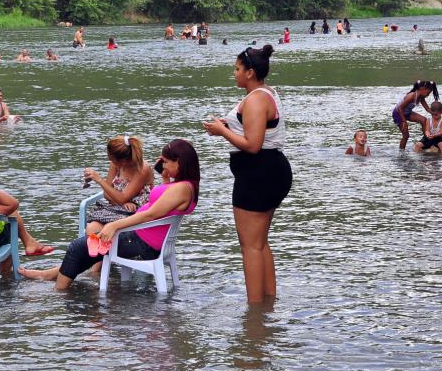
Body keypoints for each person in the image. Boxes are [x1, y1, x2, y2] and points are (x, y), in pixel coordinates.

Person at [19, 139, 199, 289]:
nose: (162, 164)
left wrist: (114, 225)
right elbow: (162, 205)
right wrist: (166, 177)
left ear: (179, 162)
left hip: (142, 242)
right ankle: (53, 275)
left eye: (166, 162)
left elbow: (150, 215)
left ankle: (58, 292)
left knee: (77, 248)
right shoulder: (182, 185)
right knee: (87, 248)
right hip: (142, 237)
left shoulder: (182, 189)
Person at [203, 45, 292, 303]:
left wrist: (222, 131)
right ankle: (268, 304)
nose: (234, 73)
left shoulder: (255, 99)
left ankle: (254, 314)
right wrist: (228, 126)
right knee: (260, 242)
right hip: (269, 171)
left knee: (250, 246)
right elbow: (255, 129)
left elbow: (253, 145)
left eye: (237, 69)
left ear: (250, 72)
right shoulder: (266, 93)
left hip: (257, 174)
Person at [83, 135, 154, 233]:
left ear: (123, 161)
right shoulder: (115, 165)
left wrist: (99, 180)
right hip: (117, 209)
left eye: (112, 159)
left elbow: (122, 197)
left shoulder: (142, 169)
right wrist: (123, 203)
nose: (111, 162)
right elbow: (107, 194)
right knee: (92, 228)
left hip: (136, 214)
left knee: (107, 231)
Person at [393, 80, 439, 149]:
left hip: (407, 113)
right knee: (406, 136)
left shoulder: (421, 97)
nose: (428, 95)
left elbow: (427, 109)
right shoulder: (412, 96)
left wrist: (435, 113)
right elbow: (400, 108)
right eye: (428, 93)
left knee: (424, 120)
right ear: (422, 89)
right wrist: (404, 121)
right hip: (398, 113)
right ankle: (401, 152)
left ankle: (427, 141)